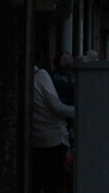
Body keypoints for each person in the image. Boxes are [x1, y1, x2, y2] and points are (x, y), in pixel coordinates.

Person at [32, 63, 74, 193]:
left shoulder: (29, 79)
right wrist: (77, 111)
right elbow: (56, 106)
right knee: (54, 182)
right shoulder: (41, 76)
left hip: (37, 140)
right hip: (55, 139)